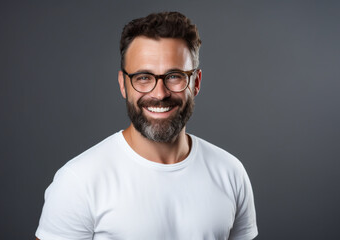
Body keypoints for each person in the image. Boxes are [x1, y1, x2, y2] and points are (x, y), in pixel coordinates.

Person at [35, 11, 258, 240]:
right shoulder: (78, 182)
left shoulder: (231, 173)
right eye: (143, 77)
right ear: (123, 85)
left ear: (196, 82)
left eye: (174, 76)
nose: (160, 94)